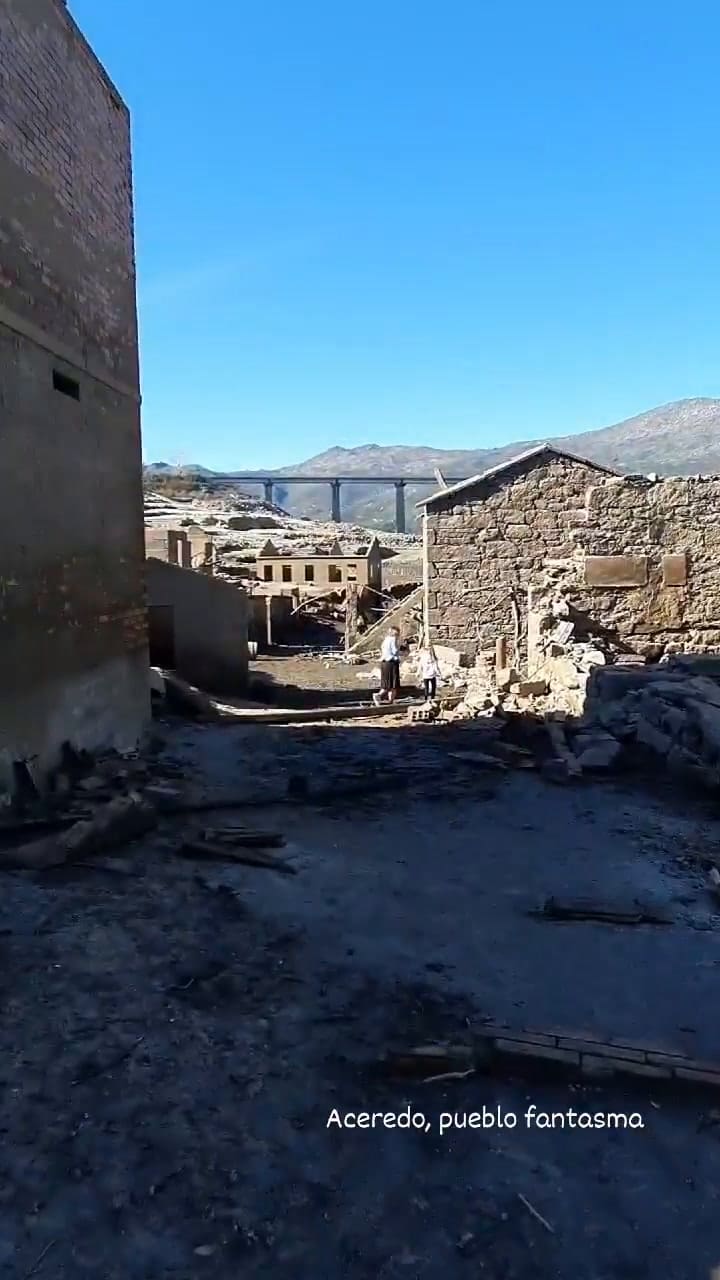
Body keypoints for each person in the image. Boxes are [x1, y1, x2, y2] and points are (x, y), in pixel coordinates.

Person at [373, 626, 402, 705]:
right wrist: (401, 649)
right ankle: (385, 698)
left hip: (384, 663)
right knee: (393, 684)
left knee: (386, 683)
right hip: (391, 663)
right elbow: (394, 651)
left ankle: (384, 698)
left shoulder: (386, 639)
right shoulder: (393, 639)